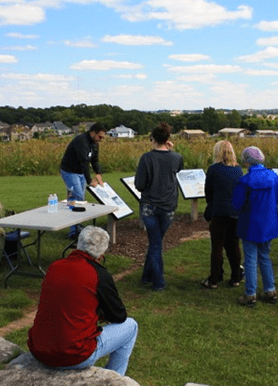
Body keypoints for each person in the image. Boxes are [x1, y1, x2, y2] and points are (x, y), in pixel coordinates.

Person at [27, 226, 138, 376]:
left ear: (78, 244)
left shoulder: (55, 266)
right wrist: (100, 314)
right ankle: (115, 378)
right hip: (75, 355)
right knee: (131, 327)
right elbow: (119, 316)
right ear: (101, 254)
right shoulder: (99, 274)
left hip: (39, 350)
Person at [135, 122, 184, 291]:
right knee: (156, 242)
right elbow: (178, 168)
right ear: (168, 139)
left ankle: (157, 282)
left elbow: (139, 185)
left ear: (153, 139)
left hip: (150, 205)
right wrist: (171, 149)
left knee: (155, 243)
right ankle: (147, 276)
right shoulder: (176, 157)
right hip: (169, 206)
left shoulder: (146, 158)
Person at [232, 146, 278, 306]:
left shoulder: (245, 181)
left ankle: (250, 293)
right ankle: (270, 290)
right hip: (268, 223)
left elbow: (237, 204)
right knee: (265, 256)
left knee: (250, 259)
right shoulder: (273, 177)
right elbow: (276, 199)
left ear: (246, 161)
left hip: (250, 223)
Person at [202, 141, 244, 289]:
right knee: (234, 246)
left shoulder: (214, 169)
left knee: (217, 246)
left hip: (219, 212)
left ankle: (214, 278)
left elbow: (209, 192)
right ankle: (236, 277)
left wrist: (211, 207)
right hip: (235, 212)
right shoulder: (238, 170)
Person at [60, 123, 107, 238]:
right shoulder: (81, 141)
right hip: (70, 171)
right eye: (100, 137)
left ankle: (75, 227)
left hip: (80, 173)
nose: (101, 139)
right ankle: (73, 231)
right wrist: (90, 180)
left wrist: (99, 174)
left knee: (78, 199)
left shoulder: (94, 143)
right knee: (79, 197)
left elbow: (94, 160)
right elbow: (84, 162)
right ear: (93, 133)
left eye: (103, 137)